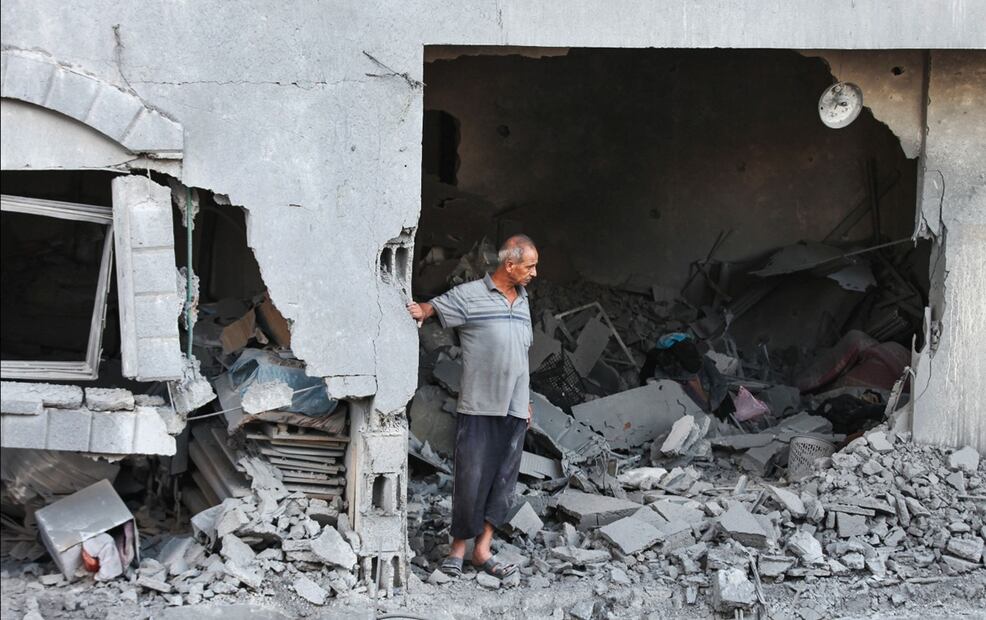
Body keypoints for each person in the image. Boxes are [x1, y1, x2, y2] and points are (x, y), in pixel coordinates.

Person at [406, 235, 538, 579]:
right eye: (530, 266)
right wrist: (420, 309)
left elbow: (521, 357)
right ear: (509, 265)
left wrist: (525, 402)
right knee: (470, 479)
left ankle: (482, 550)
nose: (535, 273)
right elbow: (436, 306)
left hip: (514, 409)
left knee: (503, 481)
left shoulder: (523, 302)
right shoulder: (471, 296)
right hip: (479, 405)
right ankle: (458, 549)